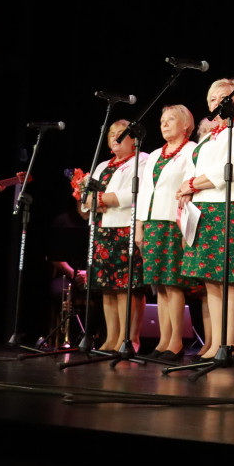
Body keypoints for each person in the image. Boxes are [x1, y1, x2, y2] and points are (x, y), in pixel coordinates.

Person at [176, 79, 234, 360]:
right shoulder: (209, 136)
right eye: (213, 99)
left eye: (225, 97)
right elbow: (191, 172)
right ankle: (214, 343)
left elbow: (233, 167)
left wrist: (193, 184)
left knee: (230, 279)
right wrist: (187, 189)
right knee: (211, 280)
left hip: (233, 206)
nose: (218, 103)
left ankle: (229, 343)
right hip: (205, 209)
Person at [78, 119, 149, 352]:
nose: (115, 138)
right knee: (107, 288)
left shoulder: (143, 160)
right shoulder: (101, 166)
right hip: (102, 229)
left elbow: (135, 193)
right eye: (112, 134)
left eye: (121, 134)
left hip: (125, 228)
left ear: (133, 140)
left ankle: (130, 339)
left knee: (127, 287)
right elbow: (88, 198)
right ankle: (111, 338)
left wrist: (102, 199)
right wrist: (89, 201)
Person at [135, 105, 197, 361]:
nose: (164, 124)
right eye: (162, 120)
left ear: (185, 125)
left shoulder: (192, 150)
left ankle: (175, 343)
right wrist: (139, 226)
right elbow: (145, 192)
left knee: (173, 284)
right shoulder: (154, 155)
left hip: (173, 221)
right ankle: (162, 341)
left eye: (171, 119)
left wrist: (186, 226)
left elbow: (192, 188)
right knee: (159, 285)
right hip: (152, 223)